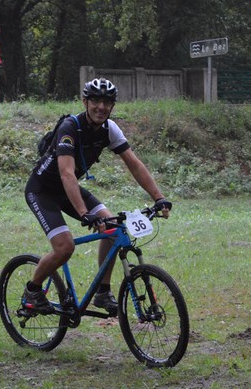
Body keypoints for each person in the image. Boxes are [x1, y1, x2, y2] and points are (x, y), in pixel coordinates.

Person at [23, 78, 172, 314]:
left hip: (66, 189)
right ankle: (33, 289)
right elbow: (66, 173)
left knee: (112, 228)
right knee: (64, 248)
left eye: (106, 102)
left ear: (112, 106)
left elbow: (134, 164)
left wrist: (159, 197)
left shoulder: (110, 129)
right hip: (42, 190)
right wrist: (84, 214)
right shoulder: (70, 128)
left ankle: (102, 292)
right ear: (85, 102)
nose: (100, 107)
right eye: (95, 101)